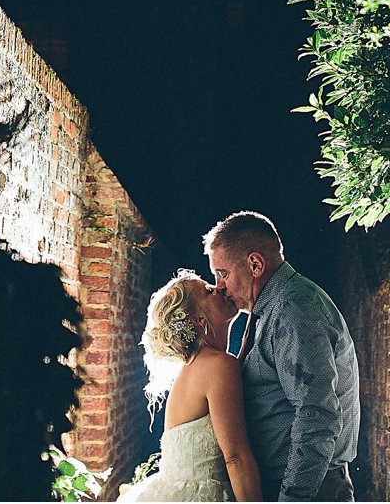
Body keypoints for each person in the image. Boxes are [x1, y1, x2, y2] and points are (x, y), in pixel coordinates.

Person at [204, 212, 359, 502]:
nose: (219, 286)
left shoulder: (294, 309)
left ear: (255, 264)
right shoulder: (271, 308)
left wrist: (292, 498)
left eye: (222, 273)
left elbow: (317, 415)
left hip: (310, 490)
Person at [122, 270, 264, 502]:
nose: (218, 288)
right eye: (208, 291)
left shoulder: (197, 366)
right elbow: (235, 457)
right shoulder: (217, 365)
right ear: (197, 320)